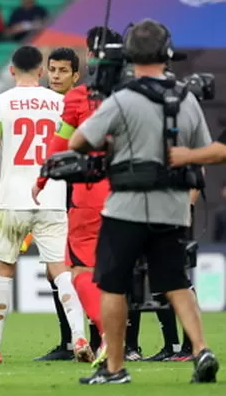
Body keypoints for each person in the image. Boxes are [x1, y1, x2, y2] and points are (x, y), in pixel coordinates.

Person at [70, 19, 218, 384]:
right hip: (172, 205)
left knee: (113, 284)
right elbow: (210, 148)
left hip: (127, 205)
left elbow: (80, 141)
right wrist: (184, 158)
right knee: (175, 282)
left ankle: (116, 367)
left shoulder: (122, 98)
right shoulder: (186, 98)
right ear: (167, 53)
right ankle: (201, 349)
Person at [0, 46, 92, 364]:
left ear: (11, 71)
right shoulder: (62, 102)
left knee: (2, 270)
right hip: (51, 197)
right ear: (41, 71)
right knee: (62, 271)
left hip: (12, 200)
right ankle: (79, 336)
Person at [24, 47, 83, 362]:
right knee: (54, 270)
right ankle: (70, 342)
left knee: (85, 269)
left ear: (76, 75)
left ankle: (106, 340)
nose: (56, 76)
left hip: (83, 195)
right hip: (53, 196)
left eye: (63, 71)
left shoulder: (84, 103)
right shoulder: (43, 105)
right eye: (53, 70)